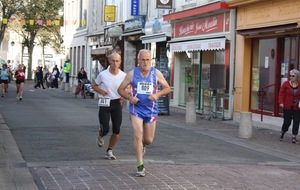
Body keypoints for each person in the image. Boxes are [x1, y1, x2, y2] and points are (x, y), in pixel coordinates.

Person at [117, 49, 171, 177]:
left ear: (151, 61)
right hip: (136, 109)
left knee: (148, 139)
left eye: (148, 60)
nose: (145, 62)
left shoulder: (156, 73)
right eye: (143, 60)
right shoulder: (132, 74)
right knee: (137, 135)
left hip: (151, 110)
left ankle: (143, 145)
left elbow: (167, 88)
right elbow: (120, 89)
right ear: (138, 60)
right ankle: (140, 165)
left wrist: (157, 94)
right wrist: (130, 98)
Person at [92, 52, 127, 160]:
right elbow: (94, 85)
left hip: (116, 103)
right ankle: (100, 135)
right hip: (105, 102)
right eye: (113, 61)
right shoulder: (103, 74)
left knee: (117, 130)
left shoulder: (123, 75)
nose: (115, 63)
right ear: (109, 61)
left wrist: (126, 93)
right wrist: (102, 91)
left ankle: (109, 150)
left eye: (117, 61)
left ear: (120, 62)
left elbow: (127, 88)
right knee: (105, 129)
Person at [279, 69, 300, 144]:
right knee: (287, 122)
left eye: (293, 76)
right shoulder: (285, 84)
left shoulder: (299, 85)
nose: (291, 77)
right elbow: (281, 93)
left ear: (296, 77)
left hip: (297, 106)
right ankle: (283, 132)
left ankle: (294, 137)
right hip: (287, 106)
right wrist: (281, 102)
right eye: (290, 76)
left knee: (296, 121)